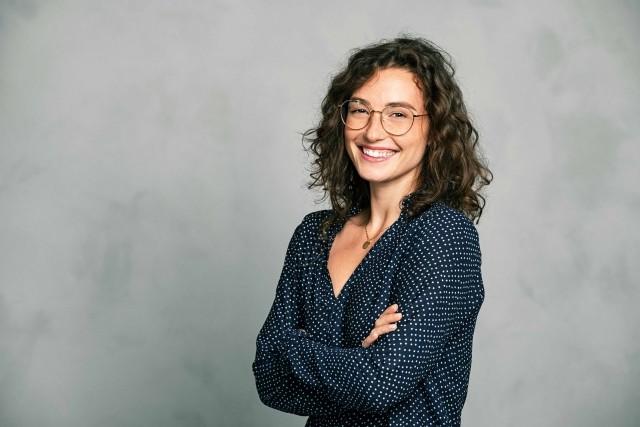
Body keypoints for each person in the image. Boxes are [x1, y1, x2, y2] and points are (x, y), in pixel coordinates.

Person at [252, 35, 493, 427]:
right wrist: (357, 356)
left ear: (435, 130)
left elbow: (381, 383)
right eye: (360, 110)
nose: (373, 132)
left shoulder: (444, 235)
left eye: (398, 114)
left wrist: (296, 350)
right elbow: (267, 374)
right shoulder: (313, 236)